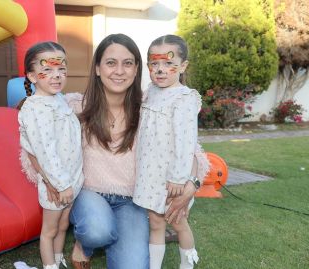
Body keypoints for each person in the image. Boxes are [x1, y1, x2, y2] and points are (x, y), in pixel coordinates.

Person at [34, 34, 208, 269]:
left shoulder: (152, 107)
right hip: (89, 194)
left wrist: (191, 184)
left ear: (137, 69)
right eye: (110, 63)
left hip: (132, 201)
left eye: (127, 63)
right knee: (97, 230)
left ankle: (114, 232)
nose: (119, 71)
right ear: (97, 68)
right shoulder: (72, 107)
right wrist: (50, 180)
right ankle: (86, 243)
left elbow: (191, 150)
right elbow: (35, 146)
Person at [133, 34, 203, 269]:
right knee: (155, 222)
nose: (160, 70)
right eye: (155, 64)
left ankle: (187, 263)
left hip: (171, 177)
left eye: (168, 64)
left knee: (178, 220)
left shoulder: (184, 98)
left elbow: (186, 142)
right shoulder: (151, 91)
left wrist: (178, 177)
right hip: (150, 173)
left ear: (183, 66)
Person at [18, 41, 84, 269]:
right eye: (47, 70)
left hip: (71, 180)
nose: (56, 76)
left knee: (64, 224)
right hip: (56, 184)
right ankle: (50, 266)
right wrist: (59, 184)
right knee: (50, 230)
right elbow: (45, 151)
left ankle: (58, 258)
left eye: (61, 69)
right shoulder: (35, 108)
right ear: (32, 76)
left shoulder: (59, 101)